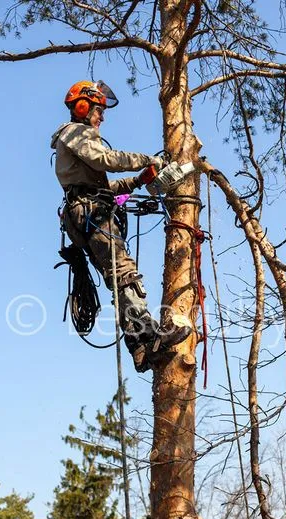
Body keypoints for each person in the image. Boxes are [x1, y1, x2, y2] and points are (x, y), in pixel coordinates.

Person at [51, 79, 191, 371]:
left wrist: (139, 181)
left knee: (118, 278)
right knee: (124, 273)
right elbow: (105, 159)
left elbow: (103, 186)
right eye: (99, 111)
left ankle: (139, 348)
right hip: (91, 213)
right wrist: (147, 160)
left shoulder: (78, 140)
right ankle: (151, 336)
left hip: (89, 209)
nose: (102, 117)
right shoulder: (75, 132)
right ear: (83, 106)